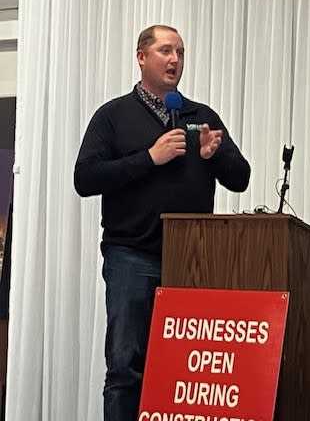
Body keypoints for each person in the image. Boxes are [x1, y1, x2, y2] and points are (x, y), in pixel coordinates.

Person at [74, 25, 250, 421]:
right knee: (125, 369)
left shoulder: (199, 116)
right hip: (131, 258)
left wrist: (213, 157)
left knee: (186, 373)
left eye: (181, 53)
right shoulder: (114, 115)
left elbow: (241, 177)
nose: (175, 60)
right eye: (166, 51)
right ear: (141, 57)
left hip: (192, 264)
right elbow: (85, 178)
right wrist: (149, 158)